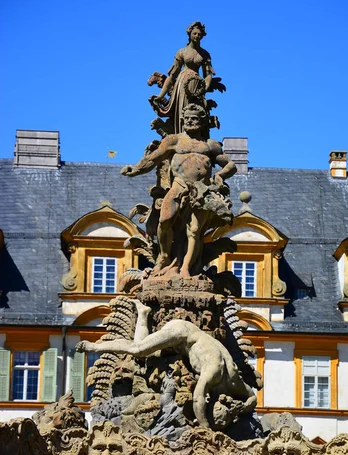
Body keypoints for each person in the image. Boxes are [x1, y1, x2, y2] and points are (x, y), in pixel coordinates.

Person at [77, 299, 256, 429]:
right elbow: (197, 398)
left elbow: (252, 397)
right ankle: (95, 347)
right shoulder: (214, 373)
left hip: (184, 345)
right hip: (181, 332)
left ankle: (143, 313)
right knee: (139, 349)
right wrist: (205, 428)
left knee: (146, 352)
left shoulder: (234, 382)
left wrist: (243, 408)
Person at [121, 103, 236, 277]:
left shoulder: (210, 145)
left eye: (195, 118)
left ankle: (185, 268)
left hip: (202, 192)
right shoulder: (174, 141)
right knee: (164, 221)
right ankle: (165, 256)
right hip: (179, 187)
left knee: (195, 231)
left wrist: (220, 176)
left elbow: (231, 165)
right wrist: (136, 169)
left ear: (202, 121)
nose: (190, 121)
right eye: (187, 118)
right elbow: (152, 159)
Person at [150, 21, 222, 135]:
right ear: (190, 34)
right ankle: (180, 137)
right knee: (182, 112)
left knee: (197, 112)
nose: (197, 36)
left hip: (198, 86)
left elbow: (208, 75)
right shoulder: (182, 52)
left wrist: (205, 87)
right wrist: (161, 95)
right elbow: (172, 76)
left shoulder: (205, 54)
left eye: (199, 34)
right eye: (195, 33)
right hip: (182, 84)